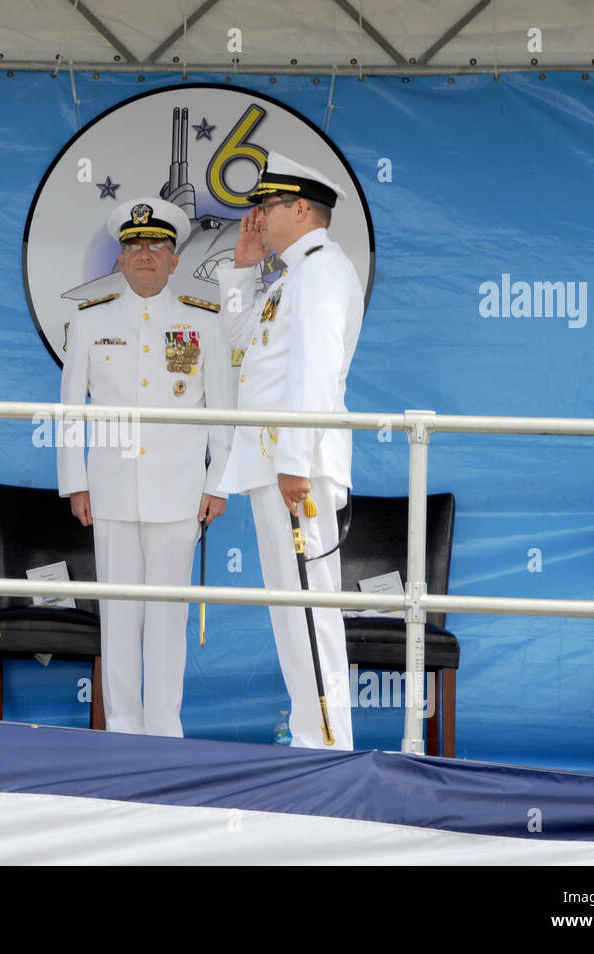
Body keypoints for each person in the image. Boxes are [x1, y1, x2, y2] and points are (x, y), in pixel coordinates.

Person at [58, 197, 233, 737]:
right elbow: (69, 411)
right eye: (134, 245)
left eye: (156, 245)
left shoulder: (203, 323)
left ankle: (164, 731)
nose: (144, 255)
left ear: (174, 259)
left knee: (167, 621)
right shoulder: (90, 321)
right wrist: (74, 483)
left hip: (179, 490)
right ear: (121, 255)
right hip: (109, 489)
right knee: (118, 618)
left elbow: (223, 411)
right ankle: (122, 731)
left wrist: (219, 482)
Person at [214, 152, 364, 749]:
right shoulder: (292, 275)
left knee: (310, 608)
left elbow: (317, 374)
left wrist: (295, 464)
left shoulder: (324, 271)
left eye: (269, 205)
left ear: (301, 208)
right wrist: (241, 271)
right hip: (276, 465)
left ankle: (327, 746)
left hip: (292, 468)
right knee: (290, 607)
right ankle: (312, 736)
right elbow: (240, 339)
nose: (259, 217)